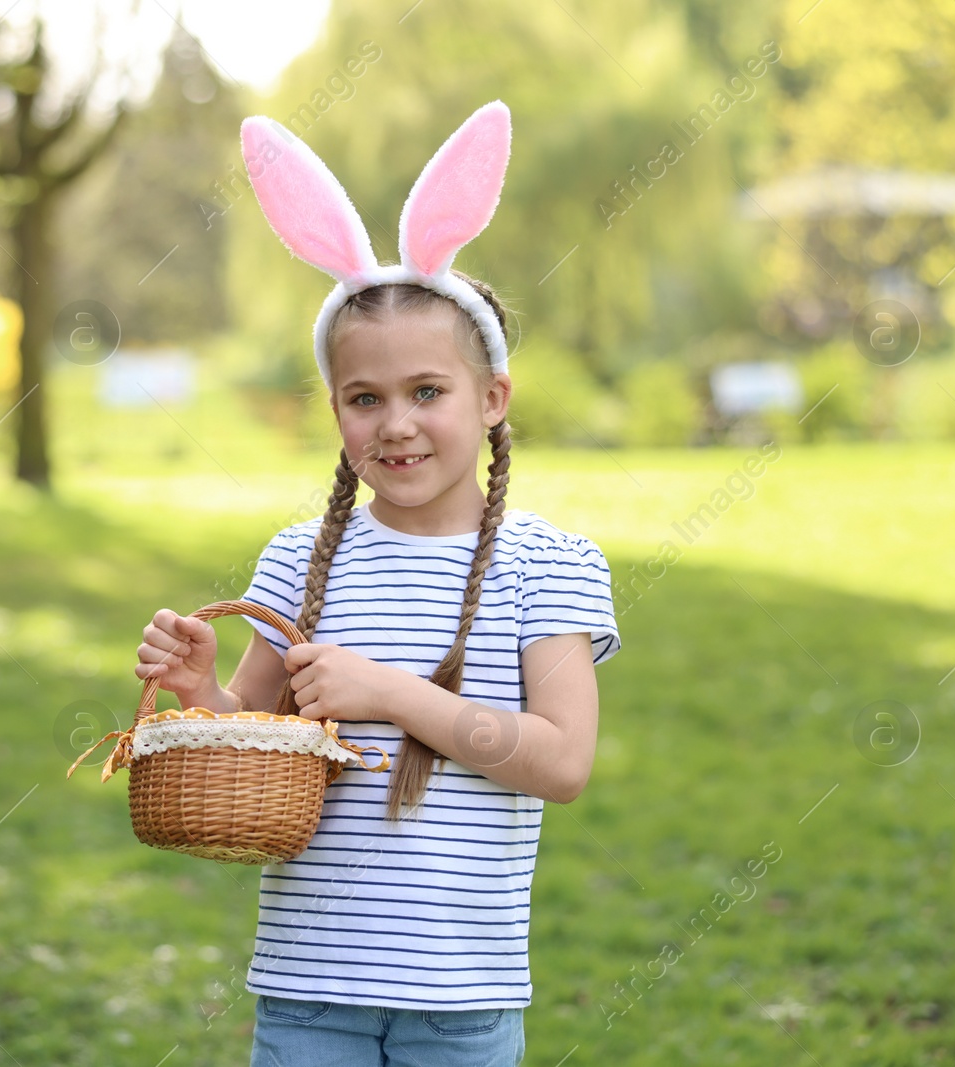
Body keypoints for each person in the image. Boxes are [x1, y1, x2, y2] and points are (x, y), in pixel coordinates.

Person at [135, 102, 620, 1067]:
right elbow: (258, 734)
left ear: (491, 400)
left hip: (461, 998)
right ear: (336, 410)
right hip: (310, 990)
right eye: (366, 398)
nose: (395, 423)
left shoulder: (545, 566)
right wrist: (202, 696)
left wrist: (390, 695)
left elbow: (561, 764)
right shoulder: (298, 560)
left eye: (426, 392)